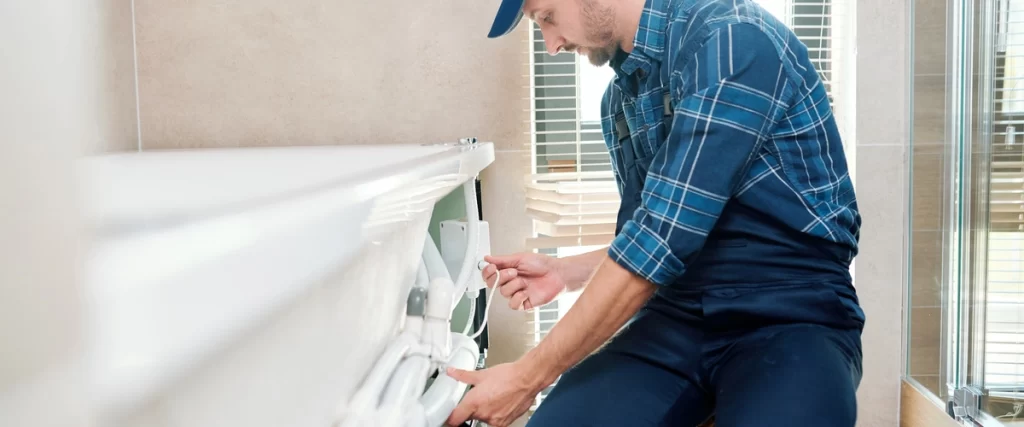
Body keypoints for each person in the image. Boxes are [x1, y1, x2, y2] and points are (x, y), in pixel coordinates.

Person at [444, 0, 866, 425]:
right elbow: (660, 235)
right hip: (677, 315)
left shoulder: (731, 41)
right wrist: (564, 272)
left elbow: (659, 243)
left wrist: (527, 377)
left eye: (546, 17)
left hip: (792, 313)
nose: (551, 45)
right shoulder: (620, 103)